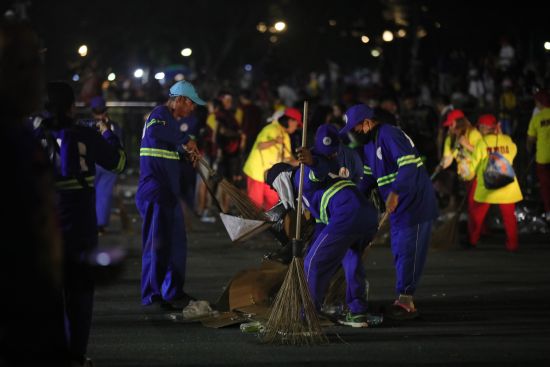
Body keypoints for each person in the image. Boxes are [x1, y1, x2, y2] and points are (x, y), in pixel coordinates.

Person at [39, 81, 126, 366]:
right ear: (71, 105)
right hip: (81, 228)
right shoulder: (85, 134)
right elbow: (118, 162)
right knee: (80, 297)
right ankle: (76, 355)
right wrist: (108, 134)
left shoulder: (33, 136)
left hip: (45, 228)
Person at [0, 19, 70, 366]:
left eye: (38, 62)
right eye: (23, 64)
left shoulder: (24, 134)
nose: (35, 76)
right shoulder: (11, 141)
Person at [340, 104, 439, 321]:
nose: (352, 132)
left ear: (367, 122)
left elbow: (409, 166)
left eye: (355, 127)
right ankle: (403, 297)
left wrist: (395, 192)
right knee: (399, 251)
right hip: (398, 207)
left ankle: (406, 301)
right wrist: (350, 200)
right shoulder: (367, 146)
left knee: (408, 251)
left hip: (414, 204)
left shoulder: (389, 134)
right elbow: (366, 179)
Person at [265, 140, 379, 327]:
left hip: (347, 213)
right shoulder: (305, 195)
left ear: (280, 180)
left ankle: (307, 317)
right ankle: (358, 312)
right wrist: (308, 247)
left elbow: (315, 172)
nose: (277, 193)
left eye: (274, 187)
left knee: (313, 262)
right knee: (351, 258)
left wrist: (312, 162)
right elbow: (321, 227)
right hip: (366, 216)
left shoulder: (298, 176)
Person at [135, 80, 203, 310]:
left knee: (175, 245)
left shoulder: (171, 122)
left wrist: (186, 158)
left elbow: (167, 154)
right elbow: (154, 129)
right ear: (180, 100)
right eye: (191, 104)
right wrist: (185, 141)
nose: (192, 109)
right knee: (157, 246)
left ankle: (173, 291)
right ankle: (153, 295)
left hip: (168, 194)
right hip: (155, 191)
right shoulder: (160, 114)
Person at [465, 114, 523, 251]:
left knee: (477, 215)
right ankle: (512, 245)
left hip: (487, 186)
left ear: (483, 128)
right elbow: (513, 155)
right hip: (506, 184)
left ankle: (473, 240)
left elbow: (473, 166)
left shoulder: (481, 143)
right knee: (509, 217)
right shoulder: (507, 140)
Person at [242, 108, 300, 210]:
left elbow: (287, 158)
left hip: (270, 174)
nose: (297, 128)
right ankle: (254, 224)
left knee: (273, 202)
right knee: (255, 204)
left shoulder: (285, 135)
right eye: (297, 124)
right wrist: (275, 141)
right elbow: (260, 145)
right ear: (290, 121)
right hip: (257, 172)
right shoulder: (271, 129)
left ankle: (269, 224)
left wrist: (300, 162)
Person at [90, 95, 124, 234]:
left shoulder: (86, 125)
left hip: (94, 163)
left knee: (92, 194)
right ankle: (99, 225)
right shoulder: (114, 126)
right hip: (108, 163)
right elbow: (120, 145)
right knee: (104, 194)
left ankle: (94, 224)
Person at [439, 109, 482, 214]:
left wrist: (467, 145)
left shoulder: (473, 133)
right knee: (471, 207)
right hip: (465, 176)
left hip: (477, 176)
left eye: (451, 124)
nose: (449, 128)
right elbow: (447, 159)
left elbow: (483, 153)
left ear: (459, 123)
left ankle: (477, 230)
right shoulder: (450, 138)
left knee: (474, 206)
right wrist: (441, 165)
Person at [527, 90, 550, 223]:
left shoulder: (537, 118)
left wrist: (529, 149)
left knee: (545, 187)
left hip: (542, 158)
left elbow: (530, 139)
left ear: (540, 102)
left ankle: (548, 213)